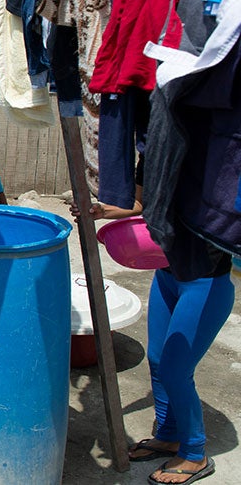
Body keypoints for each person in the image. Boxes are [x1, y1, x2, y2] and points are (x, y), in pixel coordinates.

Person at [72, 156, 231, 485]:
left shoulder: (220, 155)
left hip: (206, 281)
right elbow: (140, 204)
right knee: (158, 361)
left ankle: (194, 452)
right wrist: (103, 211)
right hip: (167, 272)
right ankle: (169, 434)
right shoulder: (157, 150)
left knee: (176, 369)